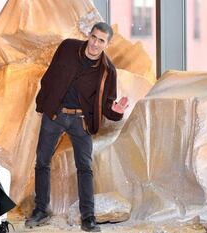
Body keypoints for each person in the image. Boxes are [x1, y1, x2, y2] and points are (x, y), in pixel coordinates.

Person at [25, 22, 129, 232]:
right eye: (93, 37)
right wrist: (43, 104)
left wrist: (116, 110)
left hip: (81, 121)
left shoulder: (108, 70)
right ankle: (41, 210)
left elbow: (107, 105)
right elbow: (50, 75)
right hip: (55, 114)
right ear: (88, 36)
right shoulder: (68, 47)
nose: (95, 43)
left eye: (101, 40)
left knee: (85, 168)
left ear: (107, 44)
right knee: (42, 161)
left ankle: (88, 217)